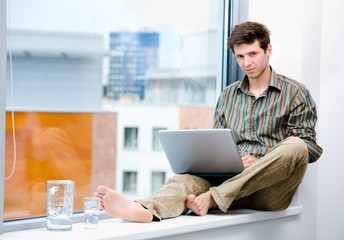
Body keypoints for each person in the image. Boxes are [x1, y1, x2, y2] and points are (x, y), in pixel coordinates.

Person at [94, 21, 323, 223]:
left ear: (268, 50)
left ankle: (213, 198)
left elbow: (308, 149)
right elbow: (217, 143)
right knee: (184, 181)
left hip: (269, 190)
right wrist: (223, 162)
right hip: (230, 181)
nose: (247, 63)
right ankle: (145, 210)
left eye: (253, 54)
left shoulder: (295, 92)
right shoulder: (227, 96)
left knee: (295, 145)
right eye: (240, 56)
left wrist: (262, 160)